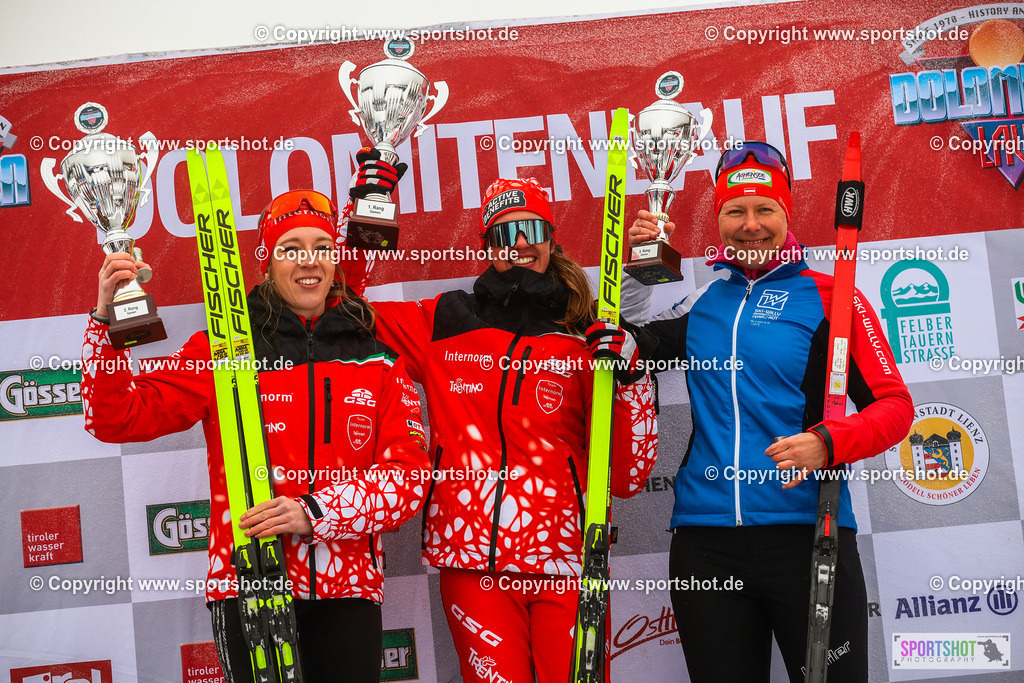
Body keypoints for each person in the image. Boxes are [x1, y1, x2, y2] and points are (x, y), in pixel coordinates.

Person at [81, 190, 430, 682]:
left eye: (321, 246)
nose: (308, 261)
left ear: (335, 260)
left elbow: (409, 479)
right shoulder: (224, 351)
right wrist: (104, 324)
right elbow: (115, 418)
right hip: (247, 581)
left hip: (346, 588)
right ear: (267, 262)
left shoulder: (377, 359)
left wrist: (315, 512)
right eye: (290, 247)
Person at [346, 161, 659, 683]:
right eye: (502, 234)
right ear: (486, 245)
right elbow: (343, 306)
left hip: (568, 561)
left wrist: (629, 377)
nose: (517, 244)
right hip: (473, 563)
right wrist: (365, 216)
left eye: (530, 230)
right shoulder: (445, 319)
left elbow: (628, 477)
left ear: (550, 239)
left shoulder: (588, 327)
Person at [622, 141, 913, 682]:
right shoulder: (705, 301)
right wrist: (637, 272)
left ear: (786, 213)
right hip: (705, 545)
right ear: (719, 218)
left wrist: (828, 441)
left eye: (764, 209)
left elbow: (895, 407)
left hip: (806, 534)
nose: (750, 225)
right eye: (735, 211)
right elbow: (623, 348)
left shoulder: (833, 298)